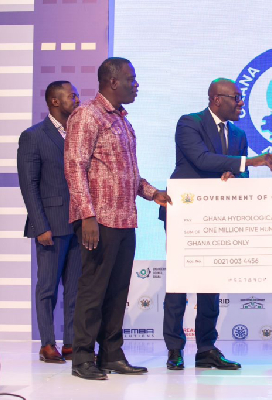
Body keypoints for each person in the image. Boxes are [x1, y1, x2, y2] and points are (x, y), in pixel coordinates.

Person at [65, 57, 172, 380]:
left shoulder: (122, 120)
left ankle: (111, 354)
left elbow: (129, 176)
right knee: (93, 290)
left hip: (125, 219)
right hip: (98, 221)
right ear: (113, 82)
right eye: (131, 79)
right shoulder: (87, 115)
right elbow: (74, 167)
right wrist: (87, 215)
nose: (135, 85)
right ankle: (83, 357)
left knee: (117, 292)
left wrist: (155, 194)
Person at [160, 78, 271, 370]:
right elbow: (200, 158)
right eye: (236, 97)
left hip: (217, 218)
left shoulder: (238, 134)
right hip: (186, 213)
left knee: (211, 284)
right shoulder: (189, 123)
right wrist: (244, 164)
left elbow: (239, 175)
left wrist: (235, 176)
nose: (241, 103)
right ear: (216, 99)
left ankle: (206, 348)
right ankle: (174, 348)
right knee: (179, 284)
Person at [17, 81, 82, 364]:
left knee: (76, 288)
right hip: (51, 225)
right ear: (55, 102)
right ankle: (47, 343)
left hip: (80, 223)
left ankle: (70, 342)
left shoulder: (80, 134)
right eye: (72, 96)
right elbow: (29, 185)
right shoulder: (34, 136)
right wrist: (40, 225)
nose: (77, 99)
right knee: (47, 287)